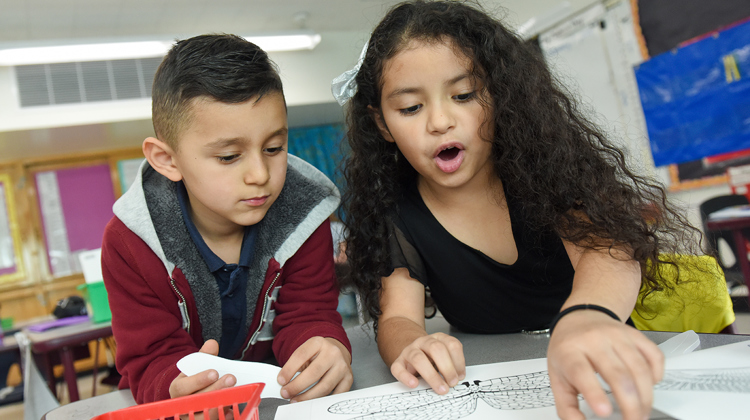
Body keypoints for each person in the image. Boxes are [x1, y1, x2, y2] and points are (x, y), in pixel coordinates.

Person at [336, 1, 703, 419]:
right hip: (490, 387)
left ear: (499, 95)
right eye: (410, 108)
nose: (440, 121)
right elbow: (398, 317)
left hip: (599, 364)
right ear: (382, 124)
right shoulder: (397, 211)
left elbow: (608, 253)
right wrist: (411, 345)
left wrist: (587, 317)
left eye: (464, 95)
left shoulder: (543, 170)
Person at [101, 34, 352, 405]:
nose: (259, 174)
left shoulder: (306, 217)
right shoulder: (130, 242)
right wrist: (175, 391)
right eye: (229, 156)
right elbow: (150, 357)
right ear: (168, 160)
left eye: (273, 148)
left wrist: (324, 348)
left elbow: (308, 315)